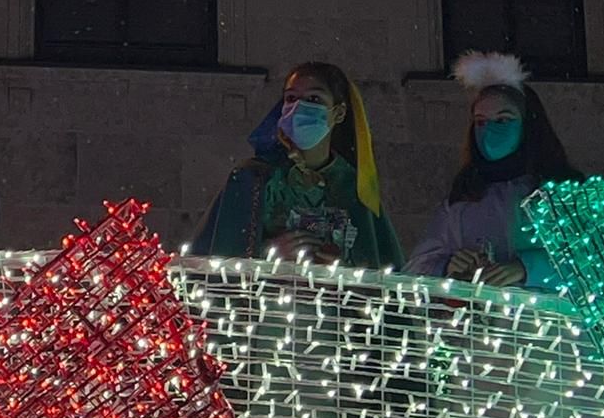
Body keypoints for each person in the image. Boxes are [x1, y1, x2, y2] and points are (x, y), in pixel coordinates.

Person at [197, 61, 404, 270]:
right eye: (291, 98)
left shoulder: (356, 188)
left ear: (339, 113)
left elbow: (377, 270)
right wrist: (267, 253)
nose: (298, 108)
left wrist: (340, 267)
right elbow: (217, 261)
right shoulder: (252, 178)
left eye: (313, 99)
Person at [406, 52, 582, 289]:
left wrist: (526, 268)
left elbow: (595, 264)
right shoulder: (463, 197)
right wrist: (448, 266)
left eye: (502, 120)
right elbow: (415, 269)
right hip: (478, 322)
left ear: (528, 125)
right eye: (480, 121)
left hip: (549, 322)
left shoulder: (562, 193)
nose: (488, 131)